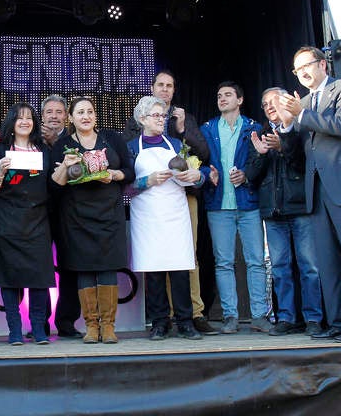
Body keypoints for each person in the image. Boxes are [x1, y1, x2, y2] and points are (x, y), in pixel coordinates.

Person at [277, 46, 341, 342]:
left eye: (306, 66)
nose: (302, 73)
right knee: (328, 261)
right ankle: (339, 323)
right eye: (297, 70)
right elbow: (297, 154)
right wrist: (287, 126)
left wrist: (302, 115)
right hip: (317, 188)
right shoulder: (303, 103)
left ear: (322, 64)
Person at [123, 70, 217, 336]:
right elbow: (124, 186)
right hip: (147, 215)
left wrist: (196, 176)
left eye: (163, 116)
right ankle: (159, 322)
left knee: (179, 266)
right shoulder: (130, 147)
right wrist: (146, 181)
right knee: (153, 270)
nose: (161, 120)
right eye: (156, 115)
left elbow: (197, 178)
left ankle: (185, 321)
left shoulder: (176, 144)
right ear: (141, 118)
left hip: (175, 213)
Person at [50, 97, 135, 344]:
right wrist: (66, 166)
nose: (85, 116)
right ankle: (91, 326)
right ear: (71, 118)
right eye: (80, 112)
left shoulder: (112, 139)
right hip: (76, 217)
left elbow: (129, 171)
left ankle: (108, 326)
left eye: (89, 112)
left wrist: (114, 173)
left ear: (95, 116)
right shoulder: (63, 145)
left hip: (109, 214)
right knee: (83, 268)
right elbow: (54, 186)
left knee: (108, 267)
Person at [245, 87, 323, 337]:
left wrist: (283, 145)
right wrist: (260, 156)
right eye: (264, 103)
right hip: (273, 211)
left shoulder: (301, 128)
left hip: (300, 208)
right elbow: (251, 178)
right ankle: (286, 317)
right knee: (280, 267)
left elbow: (305, 164)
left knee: (309, 266)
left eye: (273, 101)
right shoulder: (258, 133)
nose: (269, 106)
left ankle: (313, 318)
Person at [199, 81, 268, 334]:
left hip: (248, 203)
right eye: (219, 96)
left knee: (256, 261)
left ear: (240, 100)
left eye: (228, 95)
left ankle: (260, 315)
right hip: (218, 204)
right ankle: (230, 316)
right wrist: (209, 173)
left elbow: (261, 162)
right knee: (223, 263)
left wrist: (247, 175)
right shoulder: (207, 129)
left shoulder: (254, 127)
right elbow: (197, 160)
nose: (222, 99)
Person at [0, 102, 55, 345]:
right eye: (19, 118)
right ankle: (14, 329)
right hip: (6, 221)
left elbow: (53, 187)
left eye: (29, 118)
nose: (25, 122)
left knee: (39, 277)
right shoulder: (0, 151)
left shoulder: (44, 151)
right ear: (11, 123)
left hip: (37, 221)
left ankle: (38, 328)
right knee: (8, 276)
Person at [40, 94, 83, 338]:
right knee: (40, 268)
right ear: (42, 116)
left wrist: (57, 141)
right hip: (39, 214)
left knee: (70, 268)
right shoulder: (32, 141)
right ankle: (40, 322)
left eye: (59, 112)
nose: (54, 116)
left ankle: (66, 322)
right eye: (49, 112)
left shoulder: (74, 142)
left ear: (67, 117)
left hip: (70, 213)